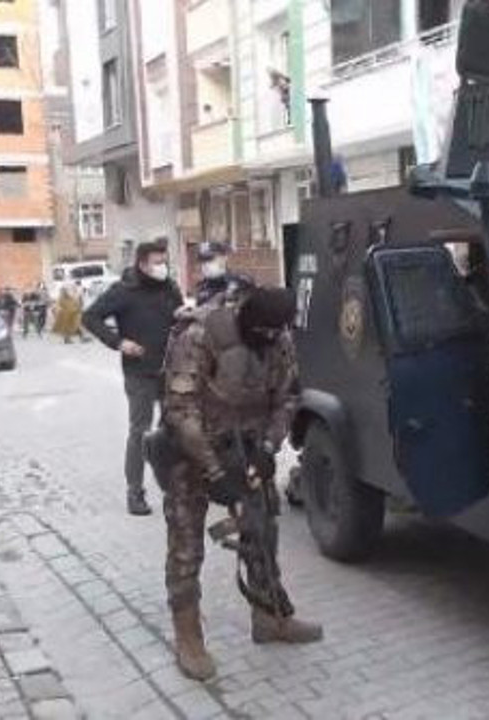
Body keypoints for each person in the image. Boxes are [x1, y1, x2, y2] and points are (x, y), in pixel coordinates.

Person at [160, 287, 322, 681]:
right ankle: (188, 636)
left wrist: (268, 449)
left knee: (262, 534)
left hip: (248, 450)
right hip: (192, 451)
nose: (269, 339)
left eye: (275, 332)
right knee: (186, 546)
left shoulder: (278, 338)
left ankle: (270, 617)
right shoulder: (200, 334)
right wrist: (214, 473)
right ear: (246, 317)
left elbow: (287, 397)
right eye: (262, 331)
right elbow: (181, 410)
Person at [83, 241, 184, 516]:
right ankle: (135, 492)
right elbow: (89, 317)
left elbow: (178, 319)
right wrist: (118, 342)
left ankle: (177, 487)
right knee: (140, 430)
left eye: (165, 261)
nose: (162, 267)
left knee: (175, 429)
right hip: (139, 372)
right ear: (142, 264)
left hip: (171, 370)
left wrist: (181, 317)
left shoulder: (170, 288)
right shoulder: (124, 291)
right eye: (157, 262)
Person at [193, 242, 254, 307]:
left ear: (224, 258)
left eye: (210, 259)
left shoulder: (240, 283)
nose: (205, 265)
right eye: (203, 261)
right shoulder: (202, 286)